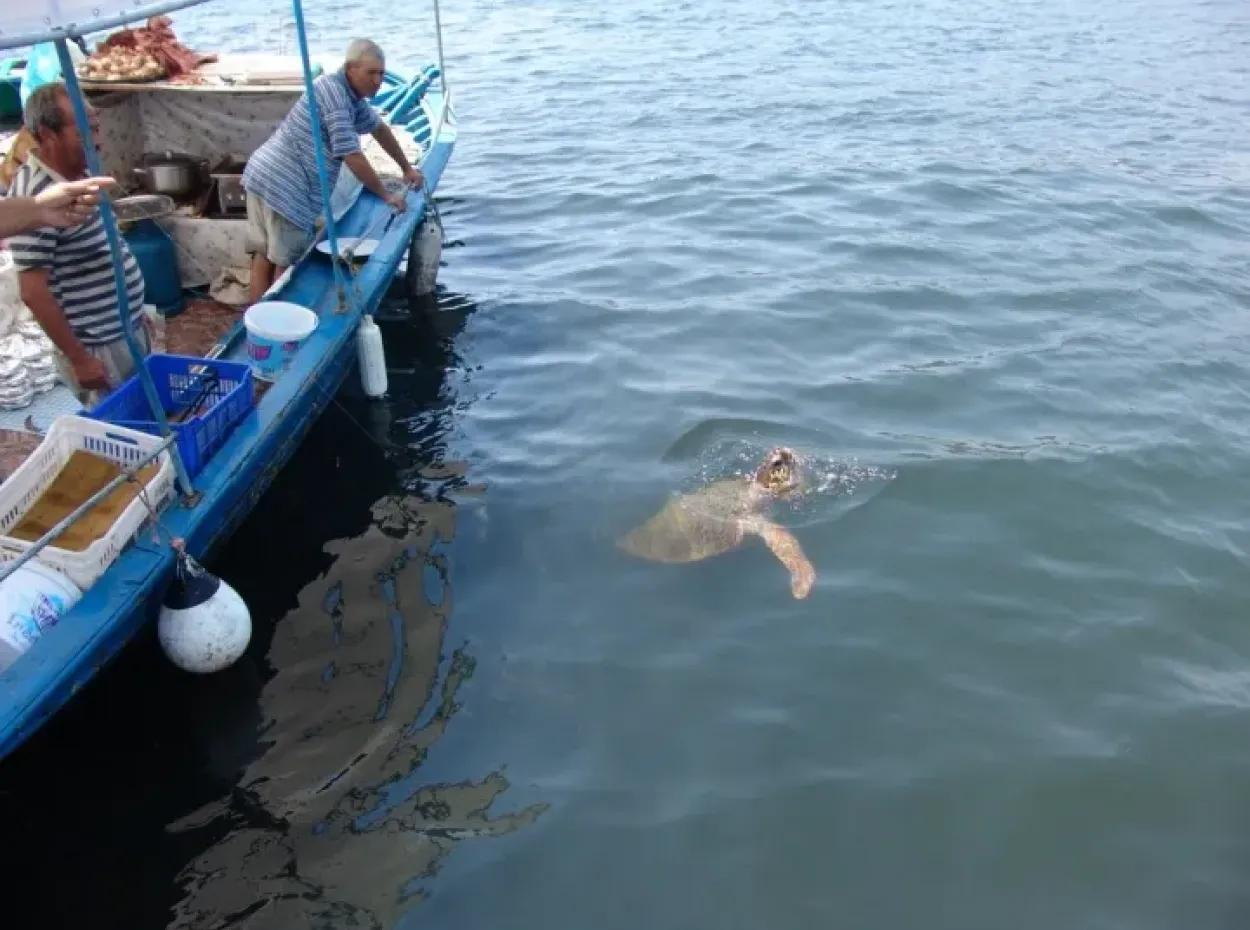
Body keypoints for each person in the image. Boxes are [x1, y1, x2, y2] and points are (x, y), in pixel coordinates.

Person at [242, 38, 424, 304]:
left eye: (382, 73)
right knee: (285, 264)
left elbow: (379, 129)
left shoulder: (346, 94)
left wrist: (405, 167)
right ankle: (272, 327)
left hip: (260, 175)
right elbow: (352, 155)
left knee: (264, 253)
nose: (378, 81)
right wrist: (386, 196)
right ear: (351, 69)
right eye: (371, 73)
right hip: (286, 187)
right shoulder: (337, 99)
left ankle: (252, 319)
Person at [6, 82, 148, 403]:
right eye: (84, 132)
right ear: (48, 134)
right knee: (120, 435)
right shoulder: (34, 196)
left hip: (124, 330)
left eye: (96, 128)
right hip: (97, 345)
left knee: (145, 413)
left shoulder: (79, 173)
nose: (97, 142)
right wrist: (80, 359)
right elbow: (32, 291)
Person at [0, 175, 115, 237]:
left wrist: (42, 208)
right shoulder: (31, 184)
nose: (98, 140)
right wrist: (41, 208)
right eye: (78, 135)